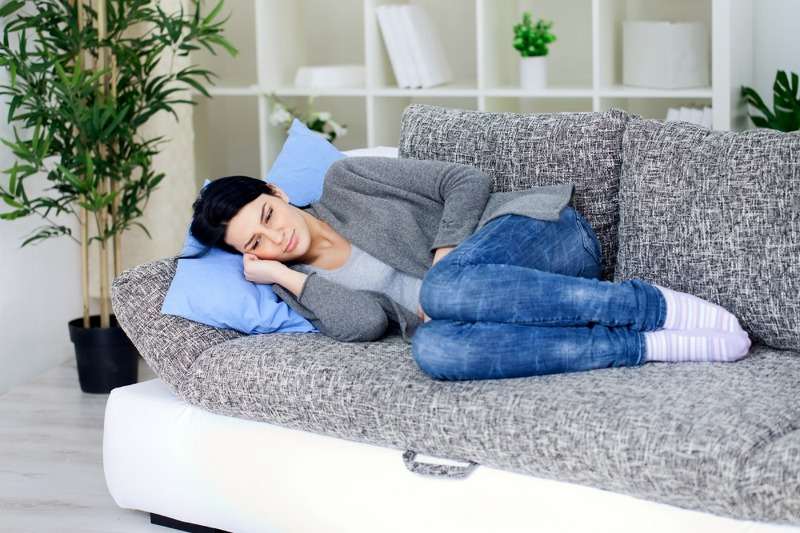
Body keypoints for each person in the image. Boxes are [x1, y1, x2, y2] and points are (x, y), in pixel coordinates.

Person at [179, 156, 752, 381]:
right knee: (434, 352)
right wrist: (283, 276)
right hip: (525, 302)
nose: (277, 237)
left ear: (277, 192)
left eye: (268, 215)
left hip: (543, 236)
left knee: (442, 293)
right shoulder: (298, 286)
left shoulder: (346, 180)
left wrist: (445, 258)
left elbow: (466, 181)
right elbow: (364, 325)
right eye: (258, 244)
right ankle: (639, 345)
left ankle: (647, 304)